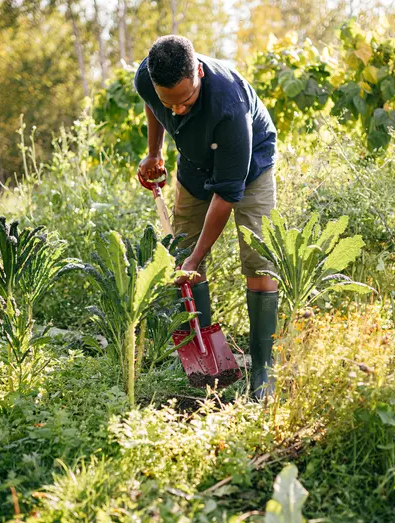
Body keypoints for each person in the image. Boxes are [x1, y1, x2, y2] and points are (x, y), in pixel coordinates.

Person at [135, 35, 278, 399]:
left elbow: (228, 194)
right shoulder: (149, 79)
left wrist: (197, 257)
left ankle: (263, 367)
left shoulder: (230, 105)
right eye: (171, 102)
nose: (178, 110)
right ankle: (202, 359)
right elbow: (155, 105)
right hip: (195, 162)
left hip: (250, 166)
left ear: (198, 72)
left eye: (186, 100)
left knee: (258, 261)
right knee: (178, 250)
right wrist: (155, 153)